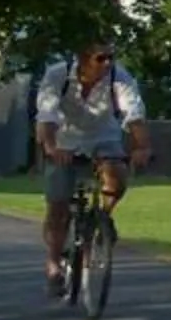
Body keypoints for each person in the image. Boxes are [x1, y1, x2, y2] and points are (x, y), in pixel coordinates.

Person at [35, 38, 152, 295]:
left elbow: (134, 113)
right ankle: (54, 262)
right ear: (83, 57)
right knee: (58, 206)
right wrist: (52, 148)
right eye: (101, 58)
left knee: (117, 176)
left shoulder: (118, 78)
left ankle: (102, 220)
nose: (107, 63)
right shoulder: (59, 74)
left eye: (111, 56)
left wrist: (141, 147)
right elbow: (46, 116)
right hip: (64, 141)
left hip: (103, 138)